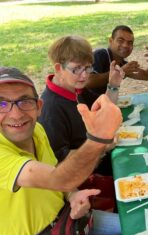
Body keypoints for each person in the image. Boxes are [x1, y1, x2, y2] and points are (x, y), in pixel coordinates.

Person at [0, 67, 126, 235]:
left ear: (39, 107)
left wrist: (72, 194)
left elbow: (58, 173)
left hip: (67, 218)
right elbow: (60, 178)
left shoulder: (36, 130)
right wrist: (99, 138)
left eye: (24, 101)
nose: (15, 113)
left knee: (137, 225)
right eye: (1, 104)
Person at [38, 36, 124, 177]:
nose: (84, 75)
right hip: (86, 180)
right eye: (77, 69)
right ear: (59, 68)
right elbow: (61, 163)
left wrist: (113, 85)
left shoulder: (75, 88)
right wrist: (100, 146)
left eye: (88, 67)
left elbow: (104, 110)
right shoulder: (51, 109)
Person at [86, 25, 148, 96]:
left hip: (104, 105)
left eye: (130, 43)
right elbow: (88, 81)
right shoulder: (100, 55)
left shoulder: (122, 64)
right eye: (120, 40)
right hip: (84, 106)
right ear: (111, 41)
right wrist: (119, 72)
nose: (125, 45)